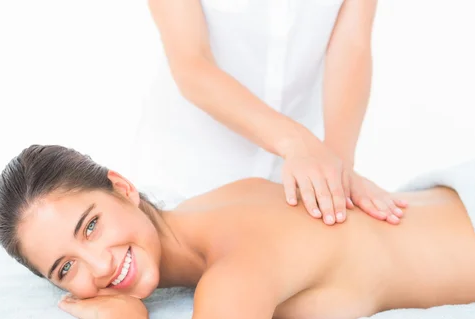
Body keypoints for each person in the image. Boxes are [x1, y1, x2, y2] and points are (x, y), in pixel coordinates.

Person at [0, 144, 475, 319]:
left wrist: (121, 318)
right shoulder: (212, 204)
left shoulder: (236, 270)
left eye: (91, 226)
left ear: (123, 186)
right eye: (66, 268)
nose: (99, 265)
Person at [132, 0, 408, 226]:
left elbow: (351, 46)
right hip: (183, 182)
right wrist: (296, 143)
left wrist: (338, 168)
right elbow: (192, 64)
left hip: (291, 187)